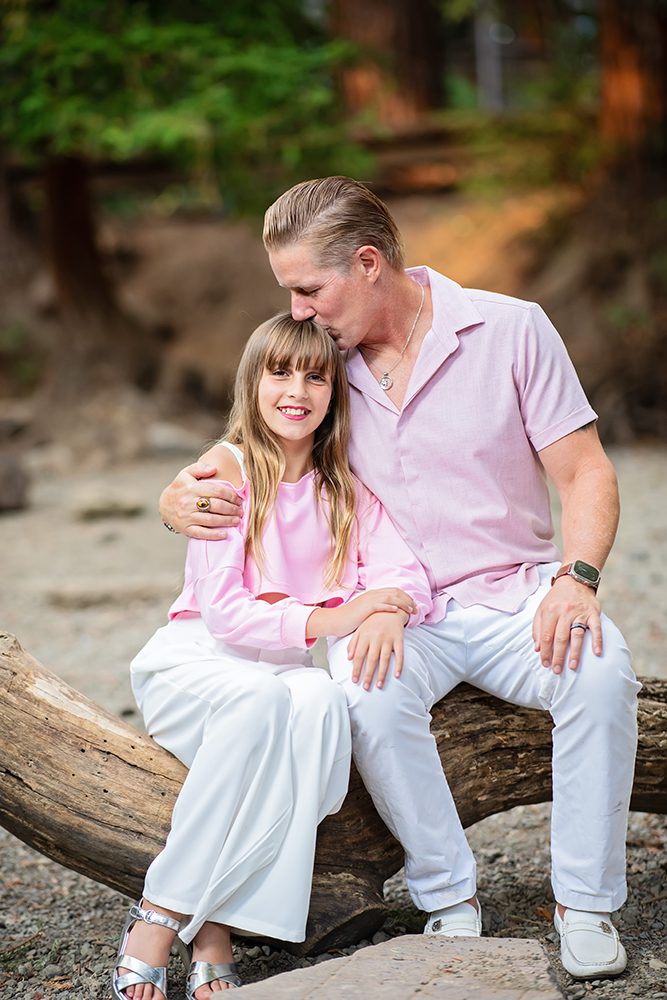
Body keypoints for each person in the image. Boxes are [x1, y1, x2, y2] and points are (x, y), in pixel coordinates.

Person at [159, 176, 641, 982]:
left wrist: (576, 578)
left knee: (599, 676)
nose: (299, 308)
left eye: (308, 288)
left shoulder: (512, 330)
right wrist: (178, 498)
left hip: (515, 591)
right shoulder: (321, 366)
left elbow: (585, 472)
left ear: (368, 264)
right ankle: (448, 896)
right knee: (366, 696)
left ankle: (584, 903)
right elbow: (250, 455)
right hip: (390, 609)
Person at [114, 311, 433, 1000]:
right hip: (198, 661)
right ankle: (162, 918)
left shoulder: (344, 487)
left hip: (283, 676)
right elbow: (226, 613)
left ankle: (213, 924)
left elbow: (405, 572)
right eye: (279, 371)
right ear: (251, 382)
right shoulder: (223, 470)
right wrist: (343, 613)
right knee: (266, 700)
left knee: (321, 702)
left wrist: (392, 608)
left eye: (315, 376)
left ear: (334, 393)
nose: (297, 389)